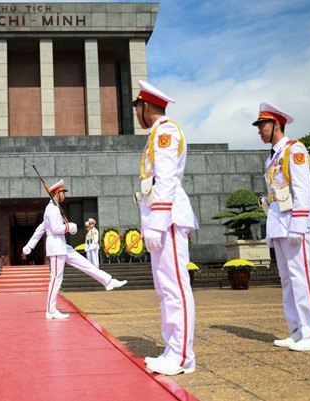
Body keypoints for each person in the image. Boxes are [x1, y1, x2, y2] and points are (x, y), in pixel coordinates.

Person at [133, 80, 199, 375]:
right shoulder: (157, 134)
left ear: (146, 107)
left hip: (168, 219)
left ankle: (183, 355)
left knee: (175, 288)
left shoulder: (166, 131)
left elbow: (167, 179)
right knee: (165, 289)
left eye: (137, 107)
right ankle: (174, 348)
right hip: (161, 218)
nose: (136, 113)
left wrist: (157, 223)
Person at [254, 102, 310, 352]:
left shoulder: (294, 149)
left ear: (276, 124)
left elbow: (303, 189)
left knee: (302, 276)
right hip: (278, 220)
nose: (259, 129)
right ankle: (297, 331)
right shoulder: (273, 157)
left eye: (263, 124)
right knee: (287, 279)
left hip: (293, 222)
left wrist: (299, 224)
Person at [23, 180, 127, 320]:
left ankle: (108, 281)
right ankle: (50, 310)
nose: (64, 195)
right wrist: (70, 227)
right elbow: (55, 229)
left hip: (62, 246)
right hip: (55, 247)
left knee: (85, 264)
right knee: (55, 279)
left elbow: (41, 228)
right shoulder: (52, 209)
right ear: (56, 193)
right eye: (62, 192)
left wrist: (30, 245)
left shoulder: (55, 207)